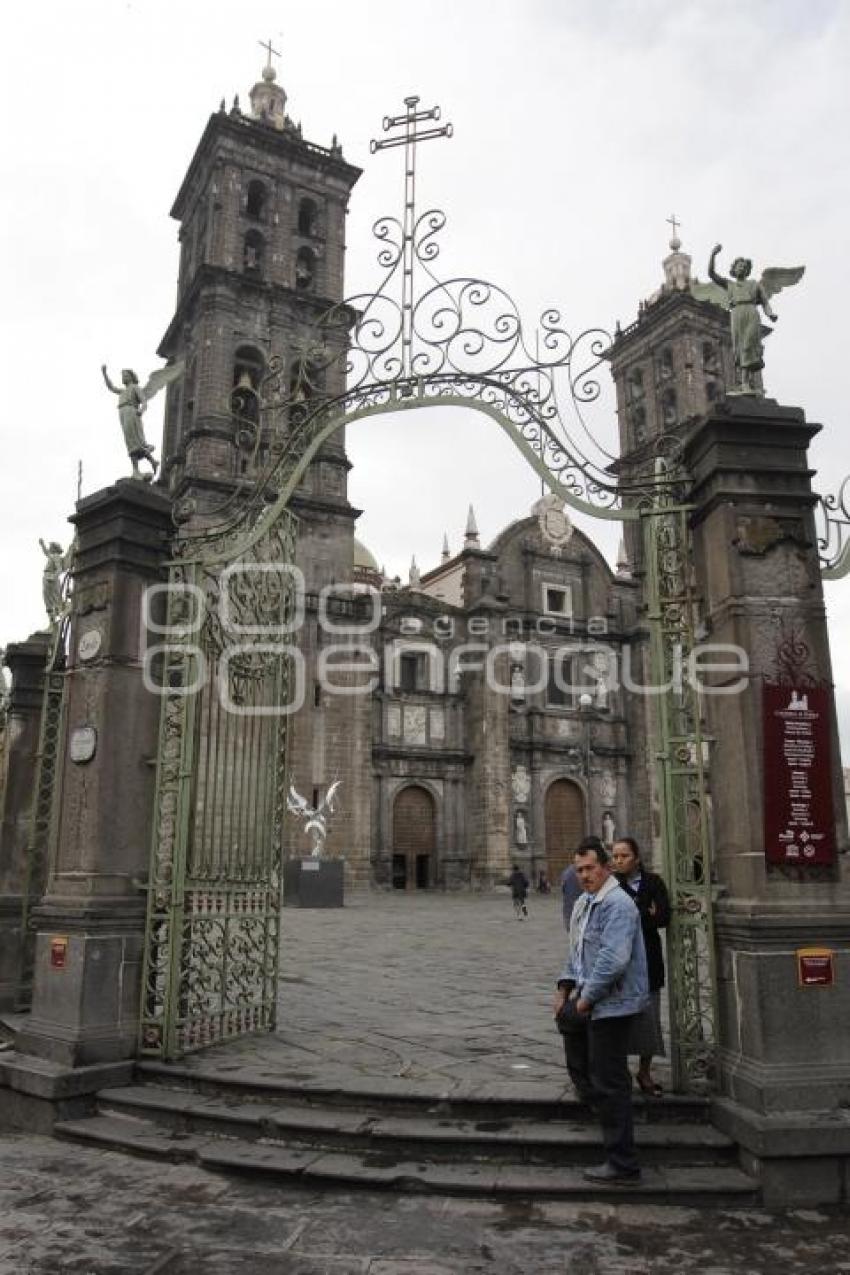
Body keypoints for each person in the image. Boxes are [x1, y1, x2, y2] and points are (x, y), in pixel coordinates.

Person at [553, 839, 649, 1183]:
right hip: (586, 1000)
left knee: (610, 1081)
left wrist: (585, 999)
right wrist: (564, 987)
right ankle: (605, 1116)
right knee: (580, 1064)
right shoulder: (584, 902)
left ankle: (623, 1162)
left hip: (611, 1003)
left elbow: (613, 960)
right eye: (578, 870)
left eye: (589, 868)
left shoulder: (619, 904)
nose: (583, 875)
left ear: (605, 866)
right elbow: (577, 951)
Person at [611, 836, 671, 1096]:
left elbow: (663, 916)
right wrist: (645, 910)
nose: (619, 860)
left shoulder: (654, 882)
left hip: (649, 957)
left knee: (650, 1016)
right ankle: (620, 1072)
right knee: (619, 1018)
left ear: (636, 858)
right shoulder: (611, 885)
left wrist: (638, 914)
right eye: (615, 856)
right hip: (621, 961)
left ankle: (645, 1070)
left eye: (624, 856)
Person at [707, 246, 777, 394]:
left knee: (749, 346)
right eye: (739, 266)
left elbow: (764, 301)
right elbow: (712, 274)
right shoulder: (730, 284)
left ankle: (747, 384)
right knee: (739, 348)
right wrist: (713, 255)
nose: (741, 268)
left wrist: (770, 314)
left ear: (747, 270)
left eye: (744, 266)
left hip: (751, 312)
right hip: (737, 313)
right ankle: (745, 384)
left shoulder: (754, 284)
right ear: (734, 269)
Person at [101, 365, 159, 480]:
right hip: (122, 413)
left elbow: (144, 402)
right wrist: (105, 374)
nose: (123, 378)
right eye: (123, 376)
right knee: (130, 442)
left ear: (131, 377)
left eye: (125, 375)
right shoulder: (123, 391)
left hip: (131, 412)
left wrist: (141, 411)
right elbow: (111, 387)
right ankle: (139, 469)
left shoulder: (135, 387)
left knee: (135, 441)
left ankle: (150, 461)